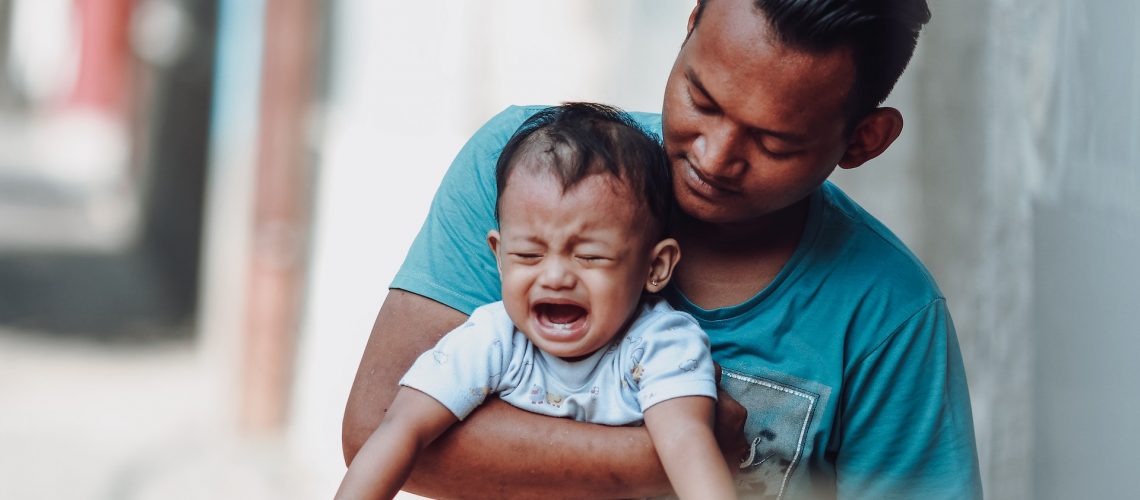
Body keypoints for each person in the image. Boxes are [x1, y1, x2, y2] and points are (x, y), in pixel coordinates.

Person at [343, 0, 984, 498]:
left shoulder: (889, 316)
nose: (714, 157)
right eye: (701, 100)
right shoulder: (530, 175)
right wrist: (669, 454)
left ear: (863, 141)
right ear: (691, 26)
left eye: (774, 143)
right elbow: (378, 427)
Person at [335, 103, 735, 500]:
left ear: (655, 266)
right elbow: (400, 429)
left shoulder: (661, 343)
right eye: (529, 255)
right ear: (498, 254)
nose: (556, 276)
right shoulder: (492, 339)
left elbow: (687, 444)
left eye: (589, 256)